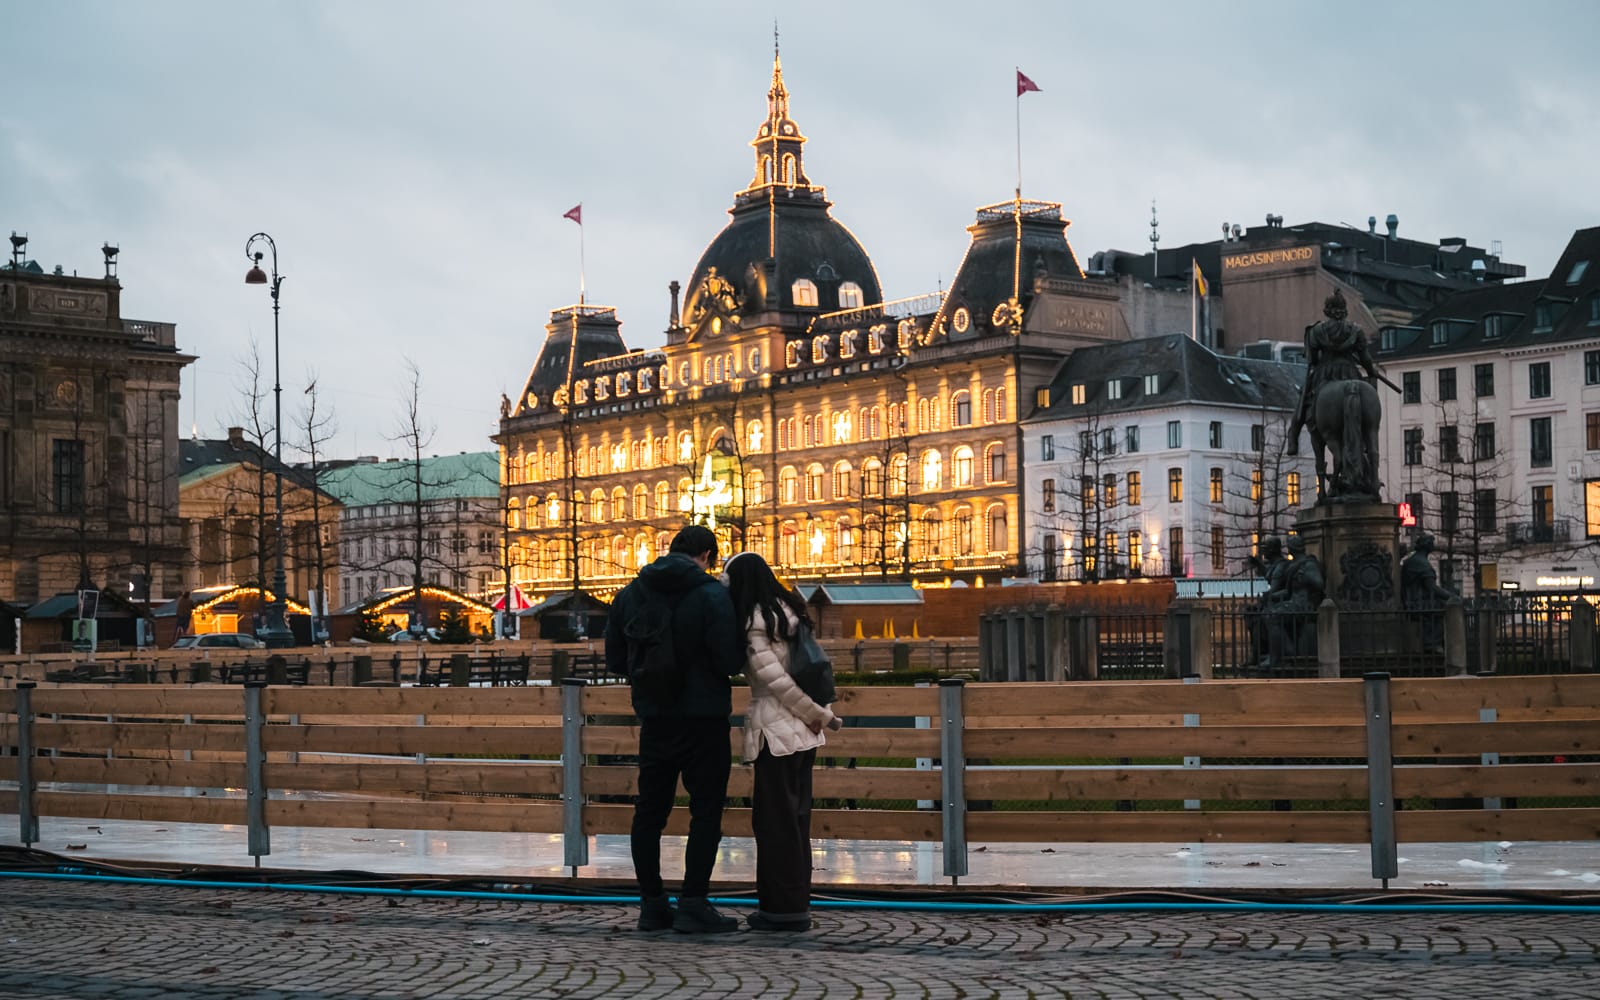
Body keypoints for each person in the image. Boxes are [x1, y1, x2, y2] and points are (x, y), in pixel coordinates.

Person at [603, 524, 744, 934]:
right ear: (707, 555)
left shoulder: (630, 593)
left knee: (649, 812)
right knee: (705, 812)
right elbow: (728, 660)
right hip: (704, 721)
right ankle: (694, 904)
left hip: (656, 718)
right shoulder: (711, 594)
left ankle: (651, 904)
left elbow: (615, 658)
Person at [720, 552, 841, 932]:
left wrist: (816, 714)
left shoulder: (755, 622)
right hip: (801, 737)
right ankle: (794, 903)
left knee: (775, 824)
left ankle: (781, 909)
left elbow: (776, 684)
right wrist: (818, 716)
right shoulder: (787, 612)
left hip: (777, 735)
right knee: (795, 821)